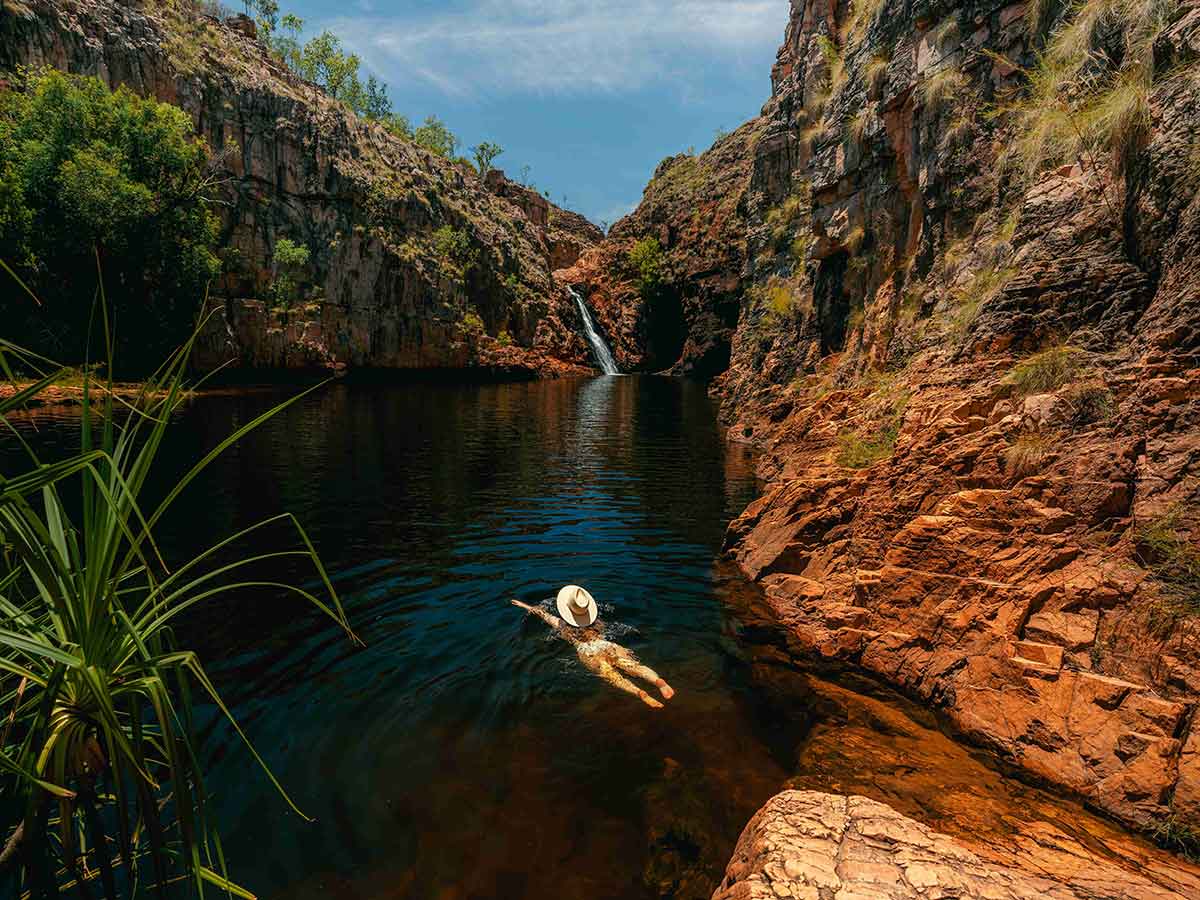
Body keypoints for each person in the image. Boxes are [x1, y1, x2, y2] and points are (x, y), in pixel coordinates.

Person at [512, 585, 675, 709]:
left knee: (612, 676)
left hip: (587, 653)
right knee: (635, 666)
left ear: (566, 611)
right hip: (606, 645)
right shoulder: (596, 621)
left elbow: (544, 614)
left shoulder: (562, 624)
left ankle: (639, 693)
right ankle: (658, 681)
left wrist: (524, 606)